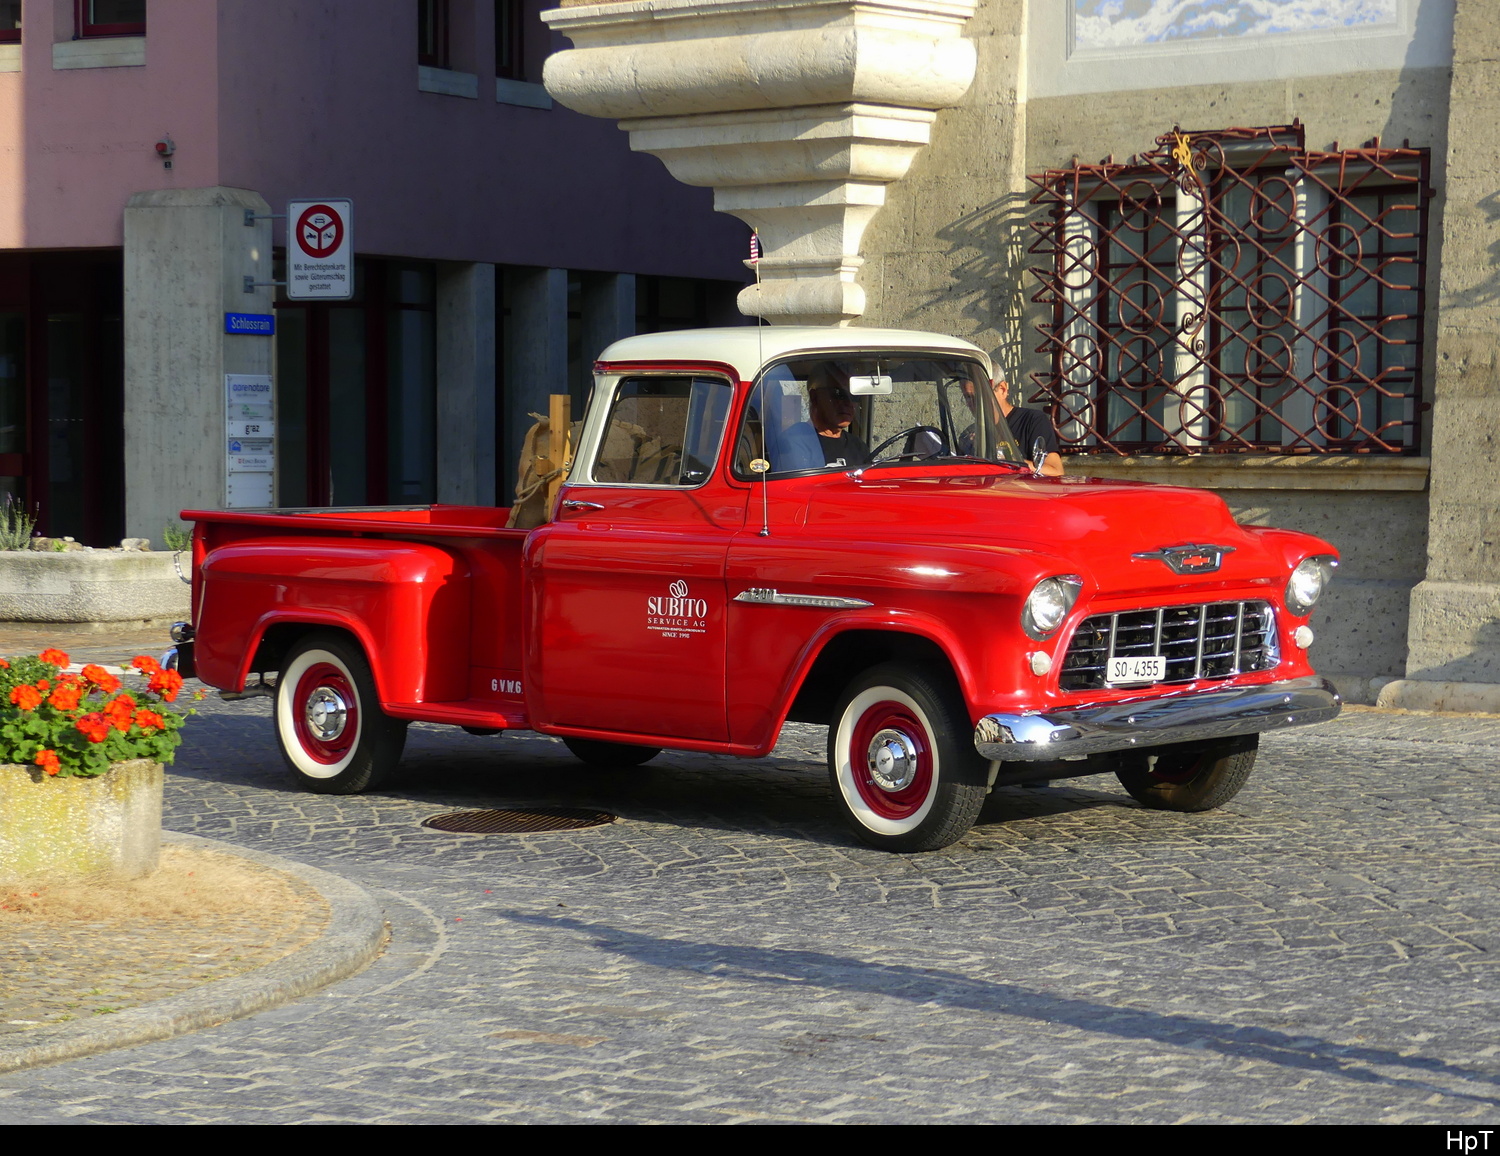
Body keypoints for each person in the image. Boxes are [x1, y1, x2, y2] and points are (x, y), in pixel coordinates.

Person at [992, 369, 1063, 476]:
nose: (974, 404)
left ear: (1002, 389)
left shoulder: (1033, 420)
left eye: (979, 397)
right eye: (968, 397)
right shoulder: (971, 434)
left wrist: (1007, 461)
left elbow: (1055, 471)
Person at [807, 370, 868, 467]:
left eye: (854, 397)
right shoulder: (794, 444)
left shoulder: (858, 446)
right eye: (839, 394)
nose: (849, 403)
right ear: (815, 397)